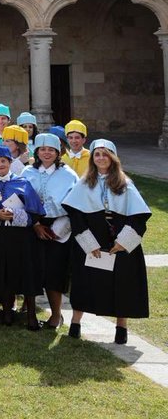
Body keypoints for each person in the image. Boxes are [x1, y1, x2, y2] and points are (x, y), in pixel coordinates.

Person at [63, 140, 152, 345]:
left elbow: (138, 217)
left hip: (118, 243)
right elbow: (76, 215)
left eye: (105, 154)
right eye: (97, 154)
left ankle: (121, 328)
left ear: (113, 158)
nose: (101, 158)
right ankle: (76, 324)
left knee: (123, 284)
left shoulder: (125, 184)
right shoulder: (84, 184)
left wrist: (124, 242)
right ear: (92, 158)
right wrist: (88, 242)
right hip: (92, 242)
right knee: (85, 283)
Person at [0, 145, 45, 331]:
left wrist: (15, 215)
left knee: (27, 272)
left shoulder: (23, 183)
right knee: (3, 273)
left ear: (10, 162)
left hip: (21, 237)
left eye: (4, 161)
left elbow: (35, 212)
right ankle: (7, 312)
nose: (0, 164)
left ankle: (32, 316)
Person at [22, 133, 79, 331]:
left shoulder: (69, 175)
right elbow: (19, 200)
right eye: (43, 149)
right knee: (31, 270)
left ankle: (56, 315)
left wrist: (61, 226)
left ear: (58, 152)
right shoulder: (27, 172)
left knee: (54, 273)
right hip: (31, 226)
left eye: (51, 150)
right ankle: (29, 314)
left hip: (59, 228)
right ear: (36, 151)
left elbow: (75, 203)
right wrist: (36, 224)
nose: (47, 153)